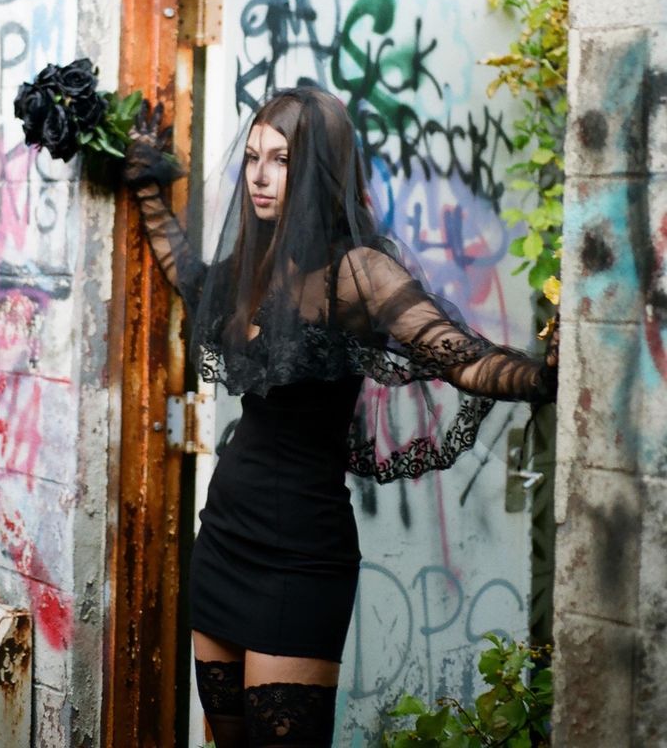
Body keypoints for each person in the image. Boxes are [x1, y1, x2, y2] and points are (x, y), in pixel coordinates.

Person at [123, 87, 558, 748]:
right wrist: (148, 188)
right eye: (251, 158)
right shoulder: (249, 267)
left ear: (319, 168)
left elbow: (460, 358)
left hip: (301, 550)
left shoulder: (358, 273)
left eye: (281, 159)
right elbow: (187, 274)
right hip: (224, 536)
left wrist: (545, 374)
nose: (261, 176)